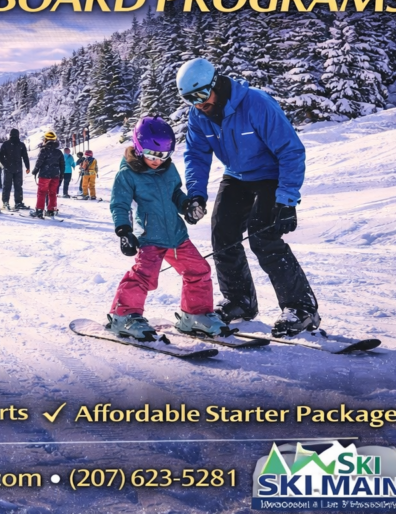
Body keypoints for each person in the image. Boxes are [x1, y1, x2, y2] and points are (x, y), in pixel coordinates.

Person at [178, 57, 319, 337]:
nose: (198, 103)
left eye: (201, 94)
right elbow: (196, 155)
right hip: (237, 175)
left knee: (263, 236)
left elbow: (291, 150)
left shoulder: (256, 103)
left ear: (215, 83)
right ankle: (239, 300)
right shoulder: (198, 116)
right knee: (222, 233)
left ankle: (301, 308)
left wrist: (287, 199)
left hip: (270, 174)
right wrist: (196, 195)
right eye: (189, 99)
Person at [105, 117, 230, 340]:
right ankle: (124, 316)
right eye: (152, 155)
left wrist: (187, 206)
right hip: (150, 237)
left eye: (163, 155)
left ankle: (195, 314)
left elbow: (175, 194)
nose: (157, 161)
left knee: (199, 271)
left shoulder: (168, 169)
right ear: (139, 148)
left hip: (177, 235)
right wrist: (124, 231)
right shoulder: (127, 174)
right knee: (143, 276)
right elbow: (119, 204)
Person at [31, 131, 64, 218]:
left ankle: (39, 211)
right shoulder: (59, 152)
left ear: (45, 140)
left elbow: (39, 162)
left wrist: (35, 171)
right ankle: (51, 210)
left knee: (41, 193)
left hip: (44, 175)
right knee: (52, 193)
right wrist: (61, 175)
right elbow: (62, 164)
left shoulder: (44, 151)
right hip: (55, 175)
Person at [0, 128, 30, 211]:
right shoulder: (21, 145)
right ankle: (18, 202)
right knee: (18, 186)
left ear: (10, 135)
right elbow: (25, 157)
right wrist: (27, 167)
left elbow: (0, 155)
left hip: (8, 168)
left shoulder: (6, 144)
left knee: (7, 186)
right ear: (18, 135)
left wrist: (4, 164)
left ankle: (5, 202)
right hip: (18, 168)